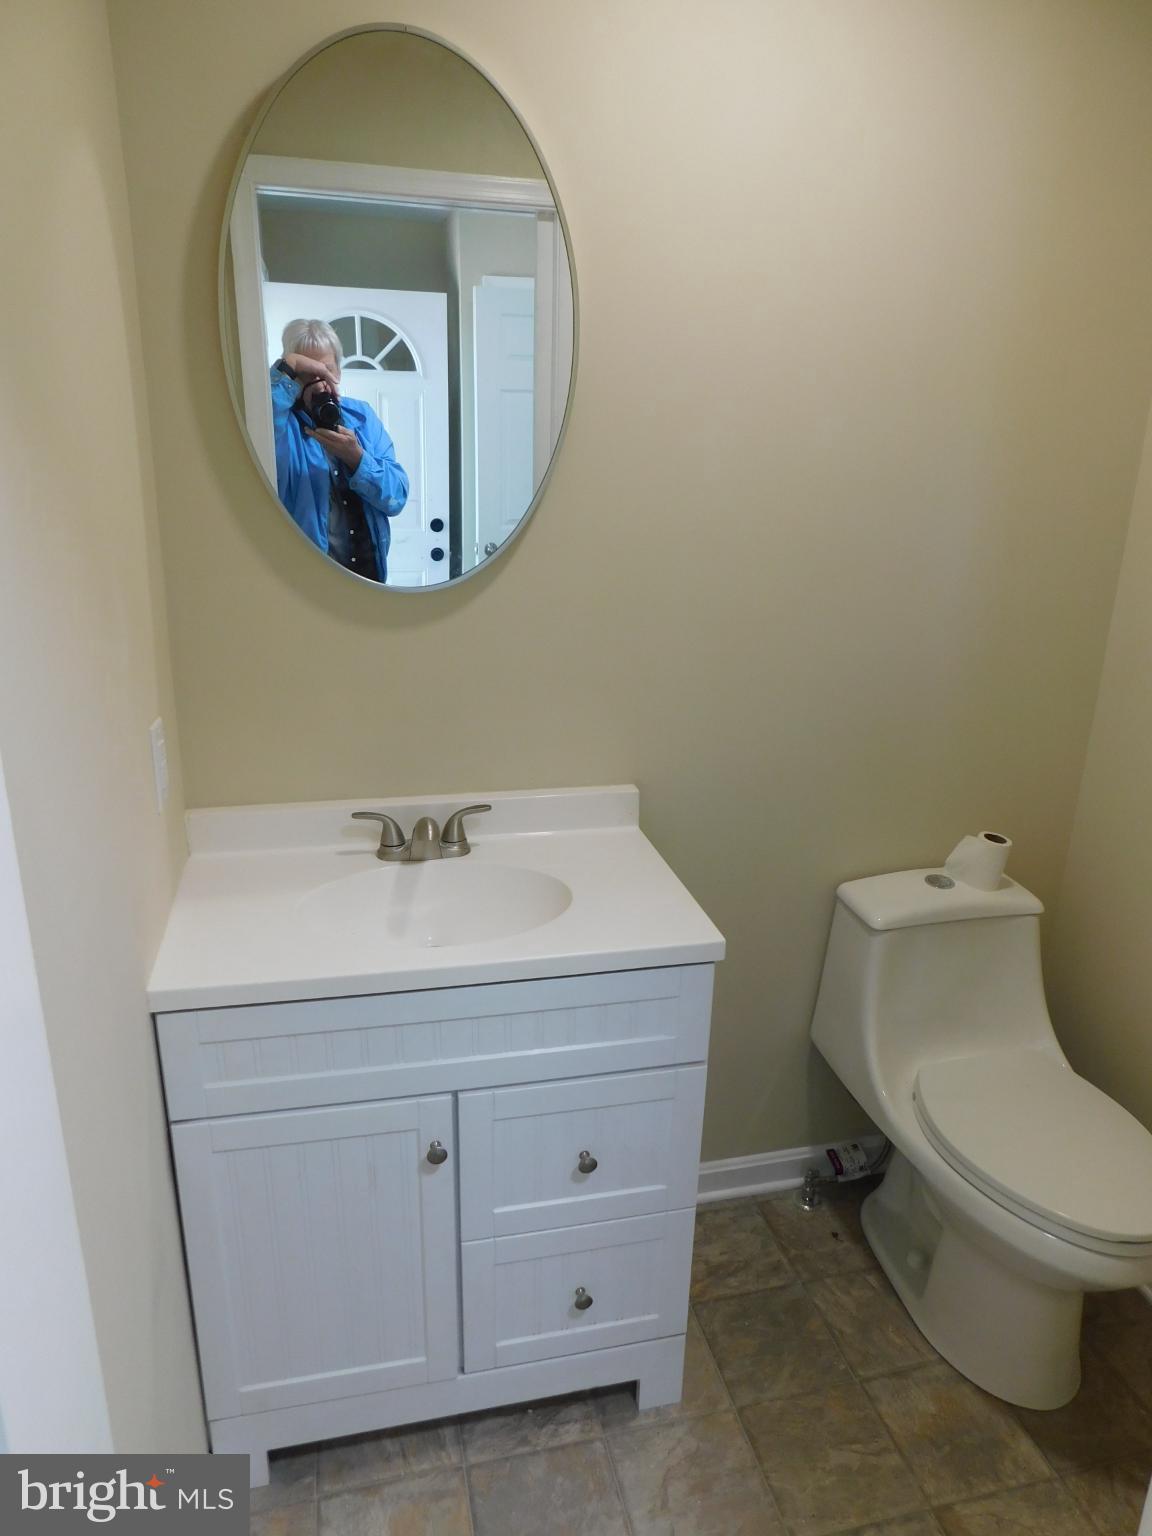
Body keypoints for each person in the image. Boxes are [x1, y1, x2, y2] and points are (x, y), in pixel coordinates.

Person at [270, 319, 409, 583]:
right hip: (309, 586)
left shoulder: (362, 417)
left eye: (326, 371)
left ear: (339, 371)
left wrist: (357, 459)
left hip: (371, 582)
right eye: (307, 373)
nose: (320, 384)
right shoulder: (281, 424)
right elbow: (255, 418)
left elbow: (397, 496)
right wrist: (289, 366)